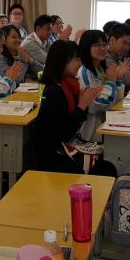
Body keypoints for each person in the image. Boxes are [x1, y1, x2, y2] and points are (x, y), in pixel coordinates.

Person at [35, 40, 102, 173]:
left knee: (106, 159)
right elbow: (63, 134)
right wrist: (81, 107)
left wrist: (84, 105)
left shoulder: (68, 85)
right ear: (63, 61)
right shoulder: (54, 91)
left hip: (66, 146)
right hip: (55, 155)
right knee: (105, 167)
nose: (80, 63)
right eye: (76, 59)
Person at [77, 30, 129, 142]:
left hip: (105, 126)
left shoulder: (101, 69)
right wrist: (111, 82)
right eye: (97, 45)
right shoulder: (84, 73)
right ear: (86, 47)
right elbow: (95, 107)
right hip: (91, 134)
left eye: (104, 44)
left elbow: (116, 101)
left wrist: (117, 79)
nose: (103, 48)